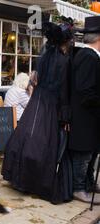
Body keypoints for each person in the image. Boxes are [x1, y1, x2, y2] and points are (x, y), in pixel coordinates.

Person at [1, 22, 74, 204]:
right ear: (67, 41)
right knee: (45, 142)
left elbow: (34, 80)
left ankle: (21, 179)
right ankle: (35, 181)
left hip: (38, 100)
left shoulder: (46, 58)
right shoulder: (64, 61)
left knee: (29, 136)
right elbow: (64, 91)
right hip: (50, 104)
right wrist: (65, 116)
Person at [68, 16, 100, 204]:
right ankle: (78, 188)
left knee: (92, 151)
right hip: (85, 117)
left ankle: (88, 183)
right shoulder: (87, 57)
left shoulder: (90, 56)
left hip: (91, 117)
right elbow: (85, 90)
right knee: (84, 154)